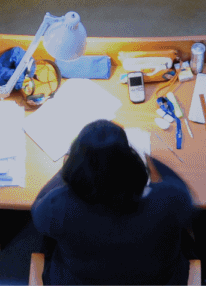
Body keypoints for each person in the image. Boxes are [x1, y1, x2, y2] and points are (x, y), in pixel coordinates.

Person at [31, 119, 195, 285]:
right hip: (156, 280)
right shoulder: (168, 200)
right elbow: (185, 198)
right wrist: (153, 161)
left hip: (82, 280)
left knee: (49, 240)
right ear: (130, 159)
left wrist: (68, 170)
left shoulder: (58, 206)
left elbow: (37, 209)